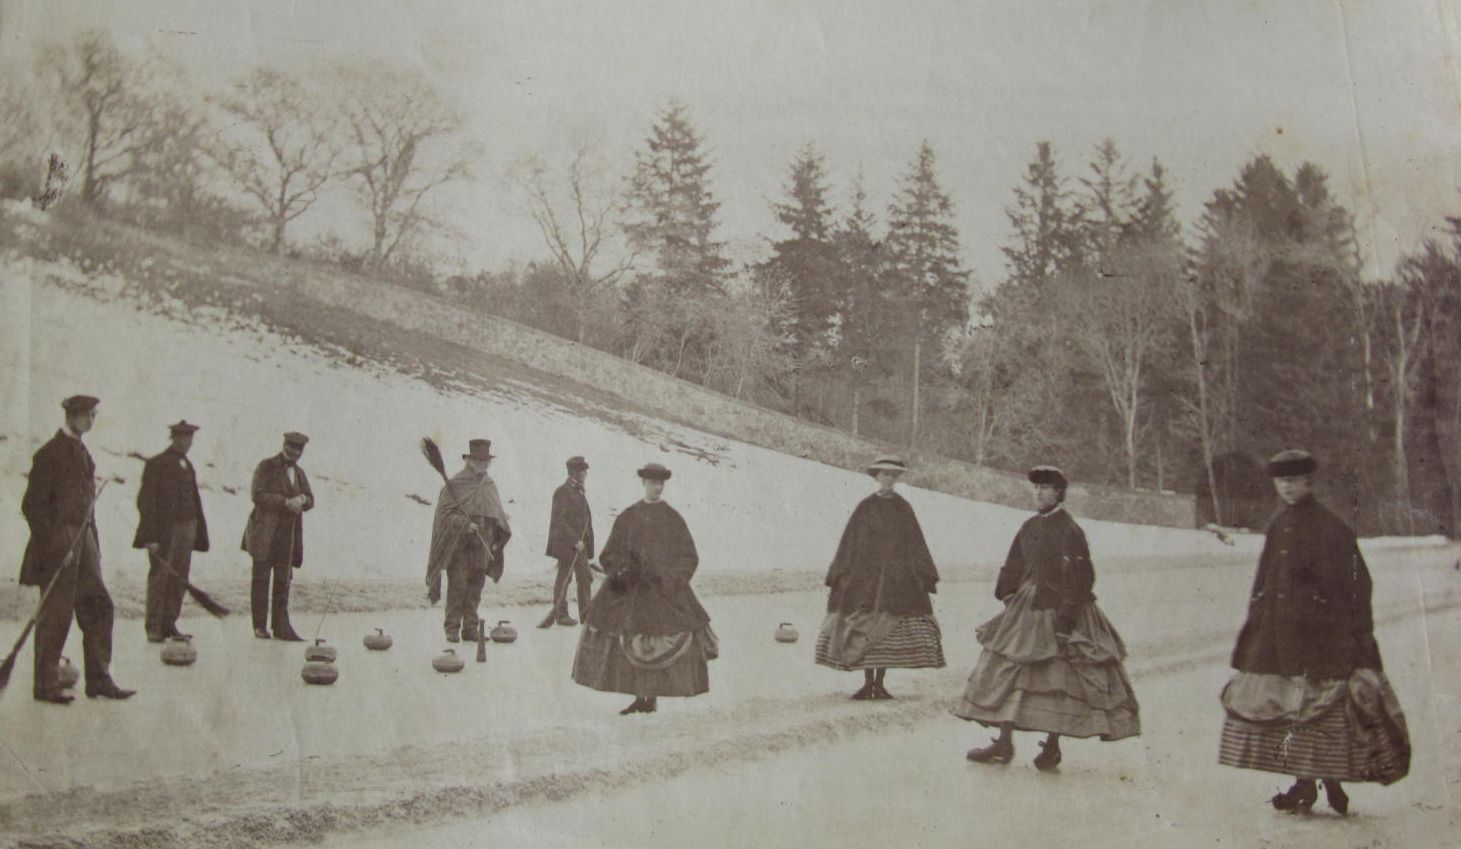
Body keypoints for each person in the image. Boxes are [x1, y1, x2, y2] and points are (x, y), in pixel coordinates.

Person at [1218, 449, 1410, 814]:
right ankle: (1304, 784)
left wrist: (1350, 633)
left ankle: (1332, 782)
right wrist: (1257, 623)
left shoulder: (1330, 527)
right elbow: (1265, 579)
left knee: (1323, 712)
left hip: (1322, 639)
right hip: (1280, 637)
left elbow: (1356, 587)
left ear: (1309, 482)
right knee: (1289, 711)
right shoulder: (1279, 524)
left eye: (1294, 481)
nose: (1288, 488)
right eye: (1281, 482)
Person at [956, 465, 1140, 769]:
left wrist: (1065, 622)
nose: (1039, 492)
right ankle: (1004, 743)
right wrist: (1006, 592)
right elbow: (1013, 563)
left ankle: (1052, 746)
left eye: (1046, 488)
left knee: (1058, 677)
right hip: (1027, 608)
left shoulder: (1070, 531)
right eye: (1036, 487)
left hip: (1059, 609)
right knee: (1010, 670)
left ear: (1059, 493)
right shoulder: (1029, 526)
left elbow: (1082, 581)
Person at [572, 463, 716, 715]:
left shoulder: (673, 518)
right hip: (631, 590)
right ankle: (641, 698)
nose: (657, 487)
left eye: (661, 483)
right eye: (652, 482)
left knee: (662, 638)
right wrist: (621, 573)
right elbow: (610, 554)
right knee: (627, 639)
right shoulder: (629, 516)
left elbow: (689, 557)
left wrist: (672, 580)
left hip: (664, 591)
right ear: (643, 484)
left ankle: (653, 697)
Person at [19, 395, 134, 703]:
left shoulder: (83, 453)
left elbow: (85, 505)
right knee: (56, 614)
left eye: (92, 416)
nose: (89, 421)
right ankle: (45, 684)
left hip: (84, 539)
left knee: (99, 604)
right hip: (58, 541)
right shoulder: (49, 453)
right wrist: (57, 546)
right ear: (69, 416)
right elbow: (33, 506)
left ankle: (99, 679)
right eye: (84, 415)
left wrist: (92, 543)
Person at [815, 455, 945, 699]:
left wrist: (921, 572)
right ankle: (867, 682)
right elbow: (849, 542)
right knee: (864, 625)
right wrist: (841, 572)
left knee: (886, 629)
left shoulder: (903, 508)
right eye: (884, 474)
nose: (888, 479)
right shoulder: (865, 507)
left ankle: (880, 683)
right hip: (865, 579)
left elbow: (915, 542)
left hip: (896, 580)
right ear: (876, 477)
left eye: (893, 475)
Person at [425, 439, 511, 643]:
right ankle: (452, 628)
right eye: (479, 459)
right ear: (469, 460)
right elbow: (444, 515)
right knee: (458, 587)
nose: (483, 463)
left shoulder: (490, 485)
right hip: (459, 546)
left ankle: (470, 629)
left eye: (486, 460)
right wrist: (465, 524)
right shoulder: (456, 484)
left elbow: (496, 514)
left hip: (483, 544)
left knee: (475, 588)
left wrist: (498, 534)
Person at [134, 420, 210, 643]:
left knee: (179, 578)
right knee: (161, 576)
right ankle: (154, 626)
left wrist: (197, 530)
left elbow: (194, 500)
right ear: (174, 439)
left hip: (187, 528)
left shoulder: (187, 465)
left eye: (190, 439)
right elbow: (146, 502)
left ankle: (169, 623)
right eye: (184, 438)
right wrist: (150, 536)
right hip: (165, 531)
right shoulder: (157, 464)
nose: (188, 443)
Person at [242, 432, 314, 641]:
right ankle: (259, 626)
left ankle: (281, 627)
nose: (295, 452)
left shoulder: (299, 473)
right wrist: (284, 502)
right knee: (261, 579)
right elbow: (257, 494)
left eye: (299, 449)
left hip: (287, 536)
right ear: (284, 445)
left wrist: (302, 499)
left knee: (283, 581)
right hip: (264, 533)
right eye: (292, 447)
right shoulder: (266, 466)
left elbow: (311, 499)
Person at [539, 455, 594, 628]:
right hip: (568, 546)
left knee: (585, 578)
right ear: (575, 473)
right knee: (564, 579)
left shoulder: (578, 491)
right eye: (583, 471)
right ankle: (560, 614)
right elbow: (559, 521)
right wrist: (575, 540)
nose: (586, 473)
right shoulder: (562, 492)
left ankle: (586, 615)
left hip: (580, 546)